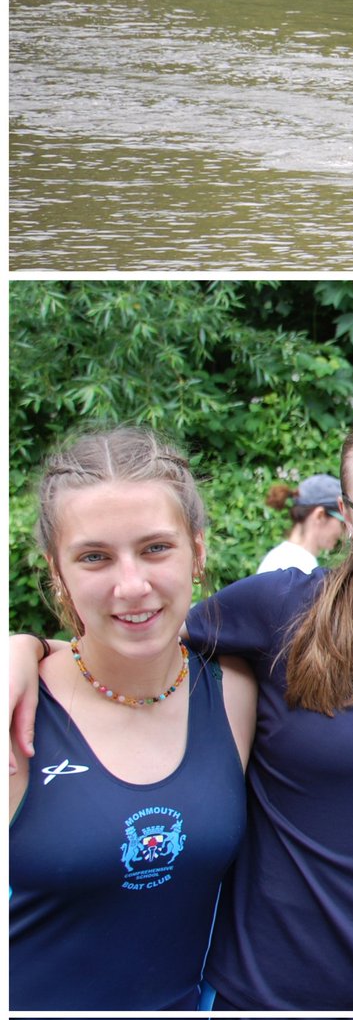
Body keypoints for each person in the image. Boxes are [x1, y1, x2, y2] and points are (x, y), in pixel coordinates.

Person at [10, 406, 353, 1011]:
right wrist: (24, 649)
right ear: (345, 516)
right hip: (257, 991)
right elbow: (135, 639)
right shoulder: (276, 612)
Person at [9, 427, 257, 1011]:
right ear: (57, 571)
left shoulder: (237, 692)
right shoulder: (17, 711)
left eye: (155, 548)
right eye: (94, 557)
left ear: (197, 550)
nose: (132, 585)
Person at [255, 472, 344, 574]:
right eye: (342, 523)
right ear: (319, 515)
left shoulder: (280, 558)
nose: (343, 532)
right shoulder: (300, 567)